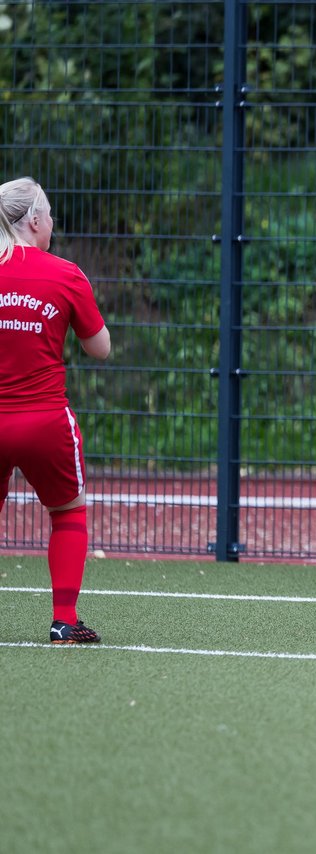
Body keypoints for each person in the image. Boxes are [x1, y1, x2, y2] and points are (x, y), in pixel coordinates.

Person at [0, 177, 111, 644]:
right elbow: (100, 348)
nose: (52, 224)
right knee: (67, 513)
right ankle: (64, 620)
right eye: (49, 216)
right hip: (46, 420)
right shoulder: (66, 273)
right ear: (34, 221)